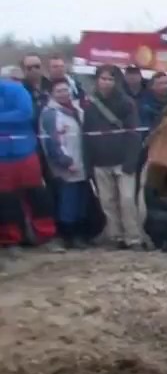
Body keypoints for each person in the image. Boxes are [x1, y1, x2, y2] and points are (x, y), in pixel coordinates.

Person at [83, 65, 145, 248]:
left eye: (110, 79)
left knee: (126, 200)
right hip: (100, 162)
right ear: (97, 80)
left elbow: (135, 133)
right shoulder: (89, 105)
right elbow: (86, 135)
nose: (106, 82)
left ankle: (133, 238)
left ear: (116, 81)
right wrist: (88, 163)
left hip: (123, 160)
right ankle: (115, 236)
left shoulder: (126, 103)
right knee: (107, 202)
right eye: (103, 78)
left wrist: (131, 161)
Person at [0, 77, 57, 250]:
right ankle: (10, 239)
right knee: (5, 199)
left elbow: (26, 112)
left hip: (24, 151)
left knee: (36, 195)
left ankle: (45, 236)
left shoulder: (15, 89)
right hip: (1, 157)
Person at [39, 78, 93, 247]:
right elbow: (51, 143)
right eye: (59, 91)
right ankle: (68, 236)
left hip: (82, 163)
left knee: (81, 201)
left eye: (66, 90)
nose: (64, 93)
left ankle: (81, 234)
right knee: (68, 202)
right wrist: (65, 162)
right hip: (66, 167)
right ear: (52, 94)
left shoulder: (77, 109)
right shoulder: (50, 114)